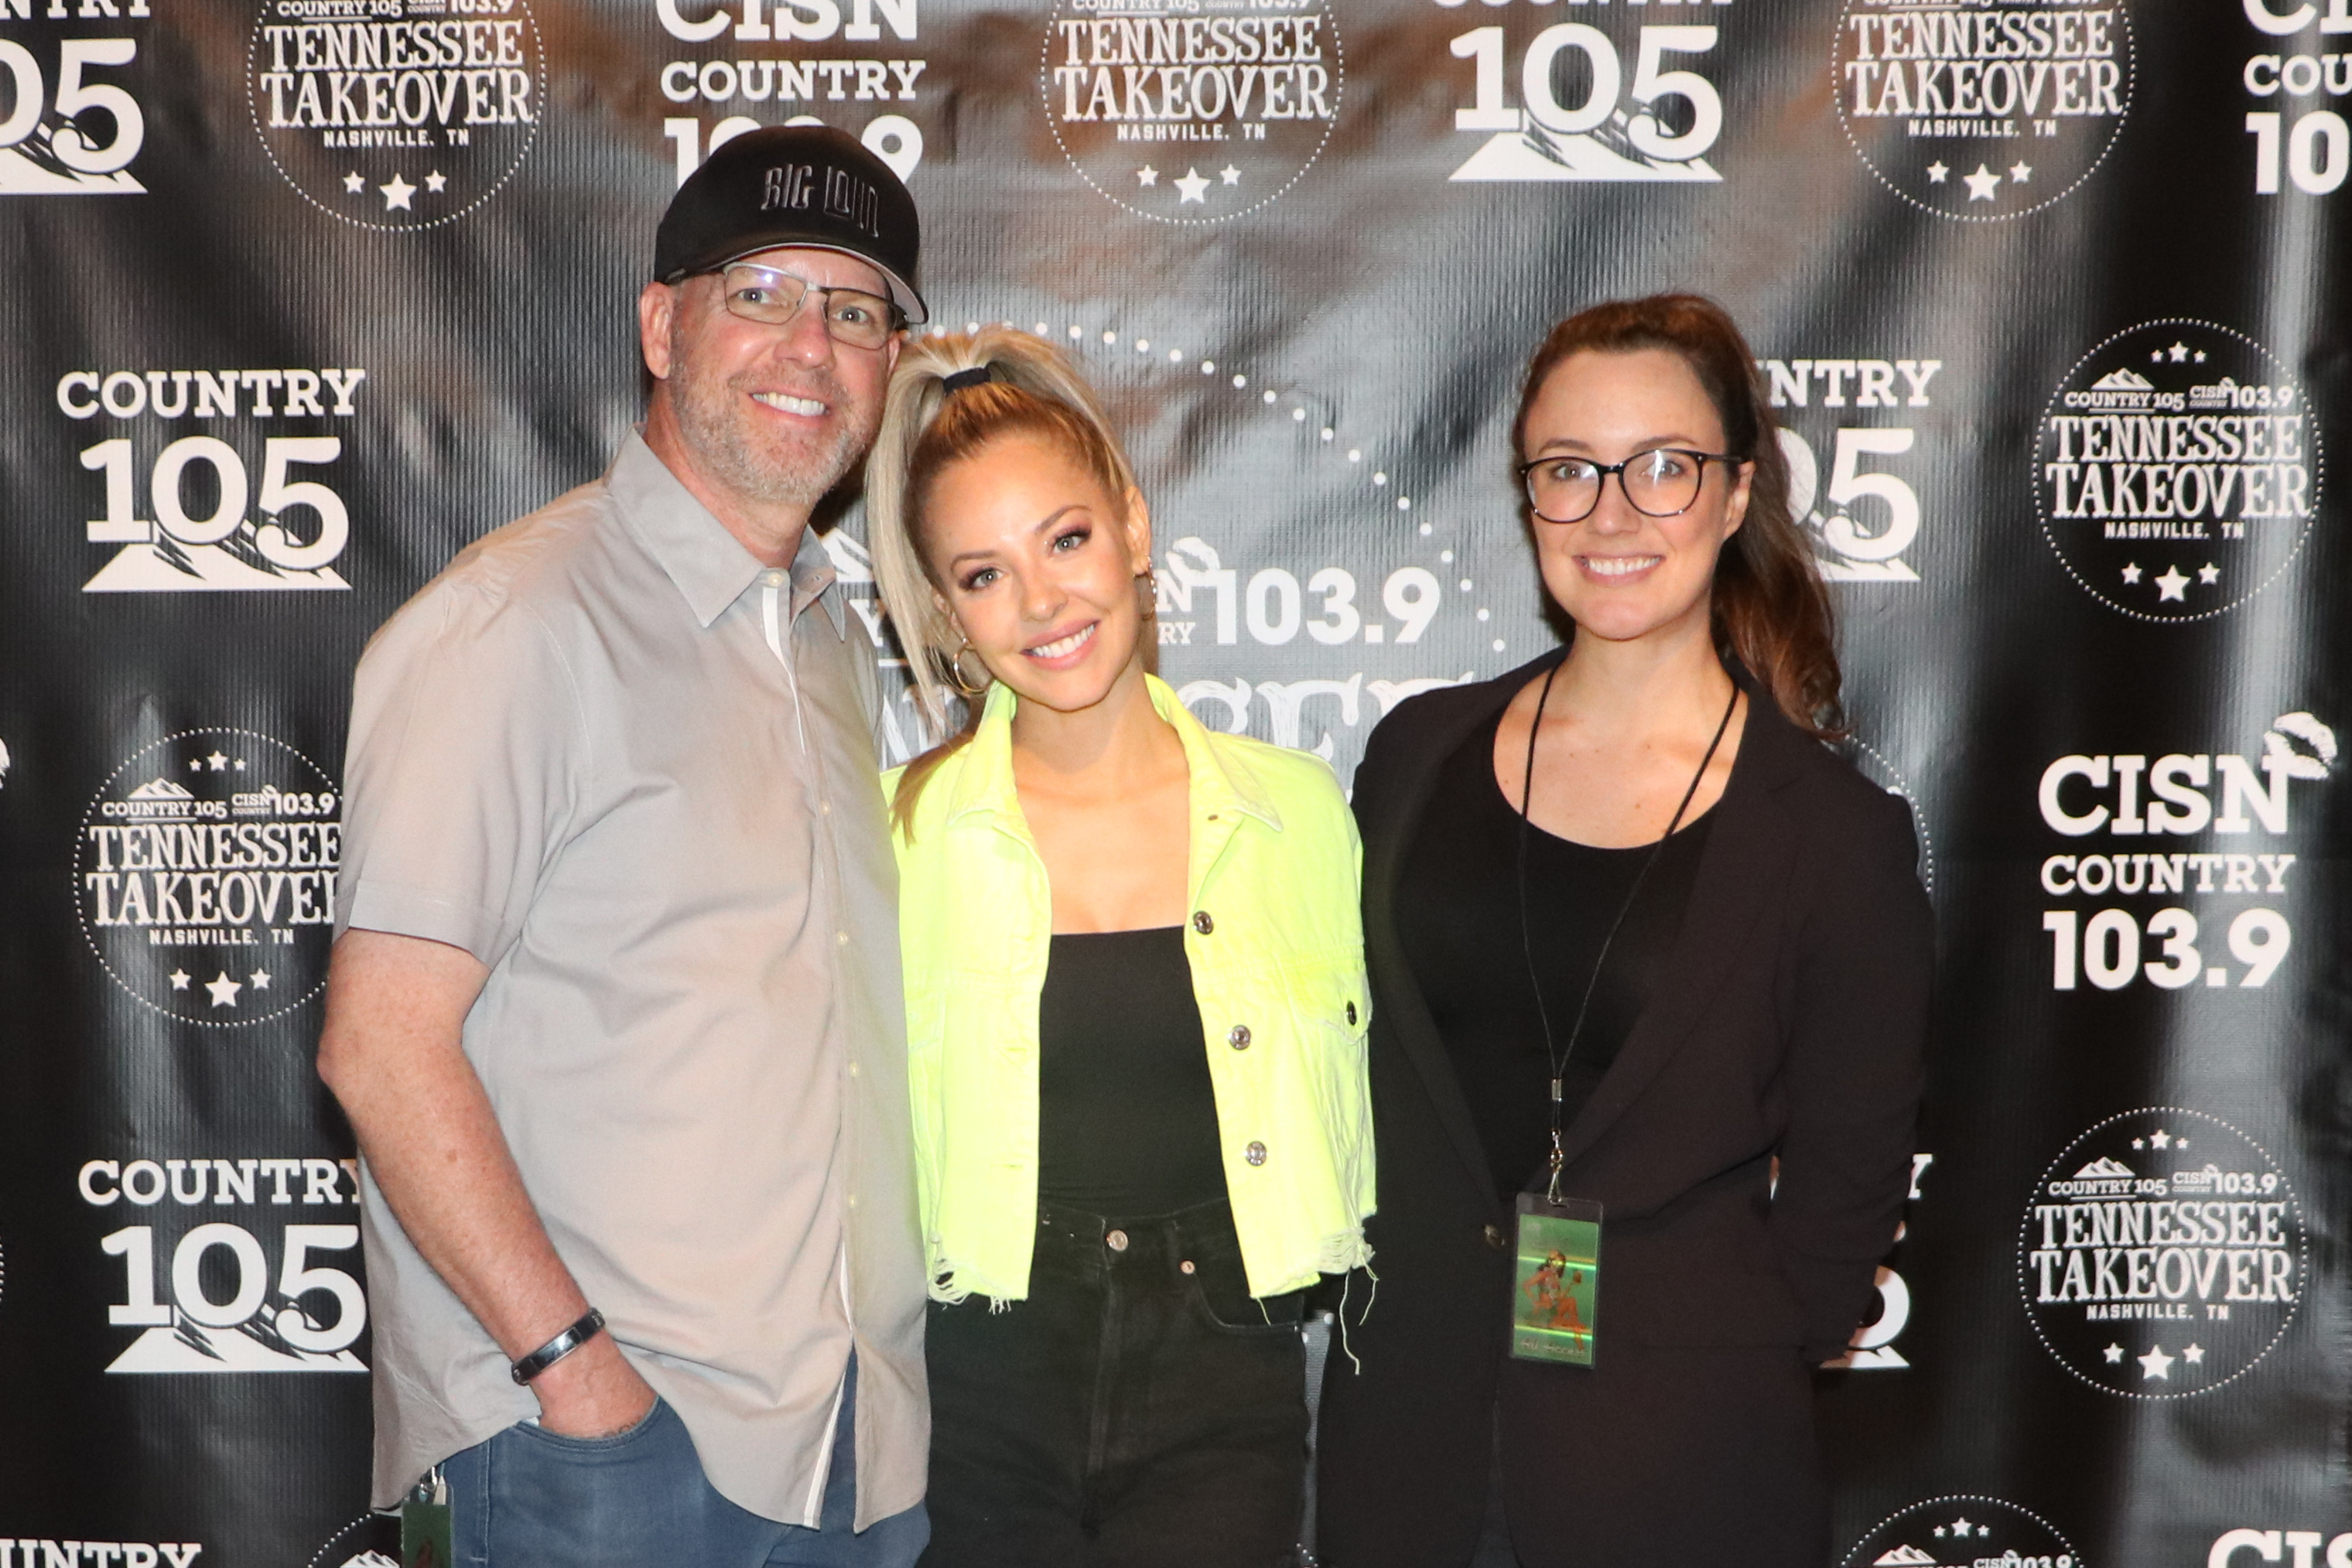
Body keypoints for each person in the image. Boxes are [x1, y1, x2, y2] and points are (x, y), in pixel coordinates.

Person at [316, 126, 932, 1566]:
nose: (811, 345)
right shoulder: (515, 625)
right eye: (760, 293)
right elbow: (381, 1047)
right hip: (602, 1464)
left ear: (890, 364)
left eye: (855, 313)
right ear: (663, 327)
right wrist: (576, 1375)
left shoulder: (837, 647)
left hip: (850, 1453)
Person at [1313, 295, 1933, 1566]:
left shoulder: (1831, 836)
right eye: (1569, 470)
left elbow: (1846, 1198)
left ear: (1735, 491)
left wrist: (1708, 1357)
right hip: (1411, 1452)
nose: (1611, 514)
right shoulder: (1416, 756)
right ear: (1528, 496)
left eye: (1662, 467)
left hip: (1683, 1475)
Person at [863, 328, 1376, 1568]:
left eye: (1067, 539)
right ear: (943, 609)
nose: (1041, 603)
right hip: (975, 1374)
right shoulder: (894, 836)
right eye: (983, 574)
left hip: (1226, 1375)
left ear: (1135, 530)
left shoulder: (1296, 814)